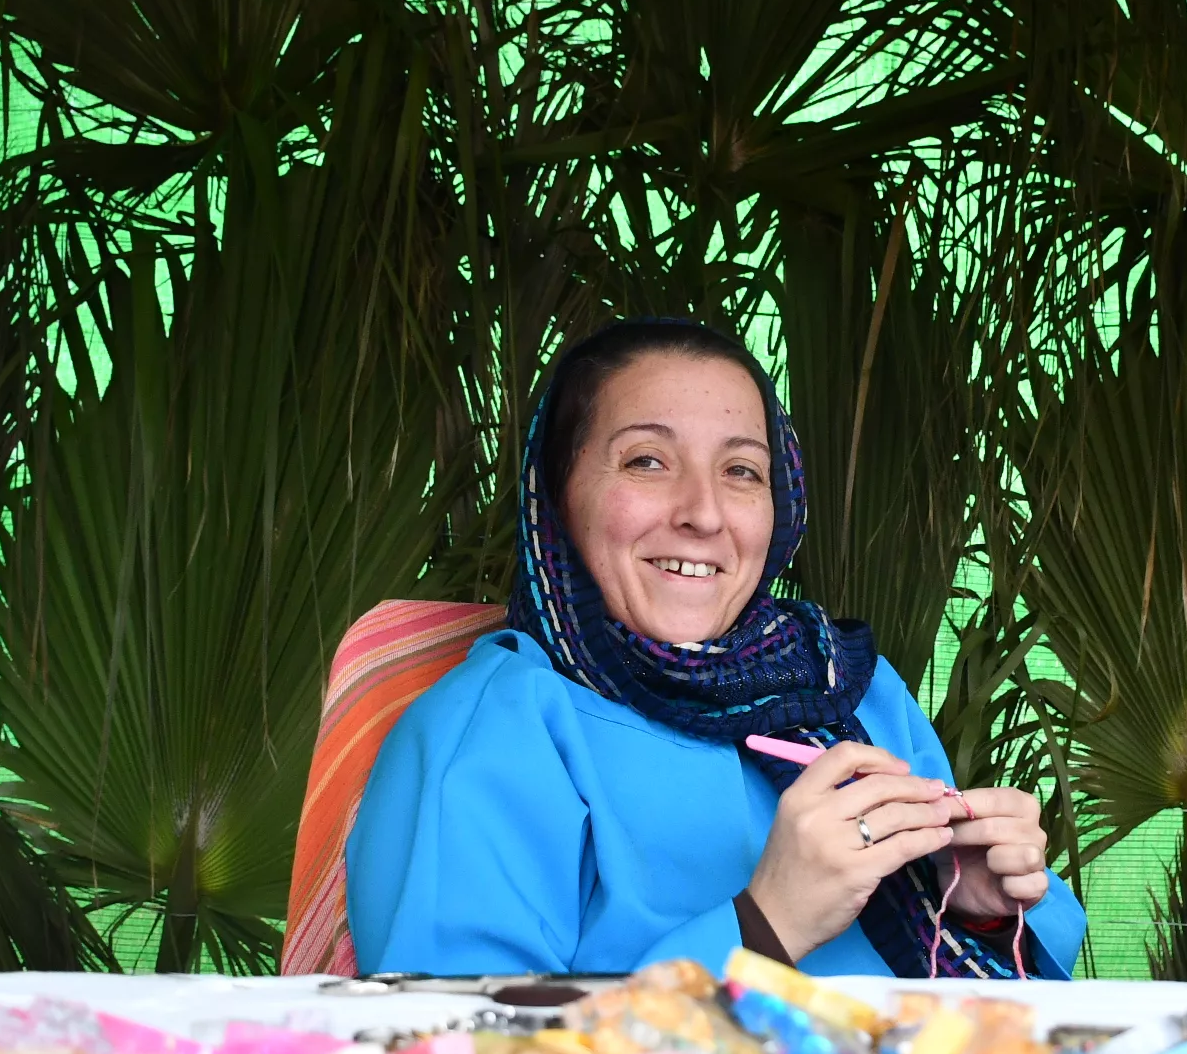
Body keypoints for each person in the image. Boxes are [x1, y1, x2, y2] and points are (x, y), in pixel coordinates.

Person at [345, 318, 1084, 978]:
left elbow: (996, 999)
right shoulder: (495, 728)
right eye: (647, 461)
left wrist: (978, 908)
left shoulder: (849, 687)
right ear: (557, 496)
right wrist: (766, 925)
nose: (703, 514)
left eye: (740, 471)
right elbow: (462, 1051)